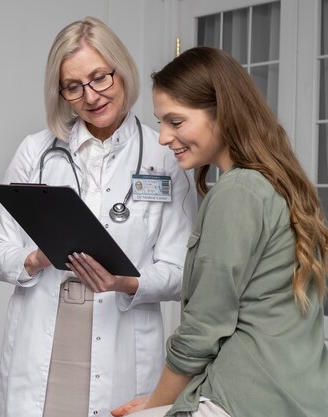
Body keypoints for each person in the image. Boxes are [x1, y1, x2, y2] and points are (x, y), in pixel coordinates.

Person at [0, 16, 197, 417]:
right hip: (44, 335)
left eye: (100, 77)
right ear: (61, 92)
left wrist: (126, 281)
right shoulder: (35, 151)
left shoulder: (164, 155)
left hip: (121, 337)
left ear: (122, 71)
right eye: (73, 86)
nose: (91, 96)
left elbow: (182, 271)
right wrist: (33, 258)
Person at [107, 46, 328, 417]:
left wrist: (159, 404)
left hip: (242, 398)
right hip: (296, 395)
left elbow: (203, 328)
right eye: (160, 122)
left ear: (223, 114)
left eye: (176, 122)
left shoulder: (238, 192)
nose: (163, 137)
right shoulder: (276, 182)